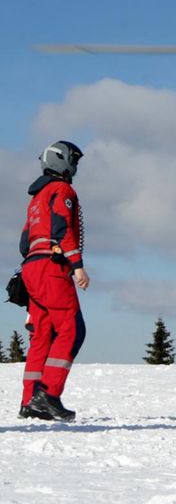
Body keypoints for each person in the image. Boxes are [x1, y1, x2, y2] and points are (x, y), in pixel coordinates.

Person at [18, 141, 89, 421]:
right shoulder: (62, 190)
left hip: (31, 267)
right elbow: (61, 226)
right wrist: (77, 265)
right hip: (51, 266)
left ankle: (29, 399)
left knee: (42, 336)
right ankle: (48, 395)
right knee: (72, 329)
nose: (76, 167)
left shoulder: (35, 198)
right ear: (62, 161)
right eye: (74, 160)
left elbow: (25, 241)